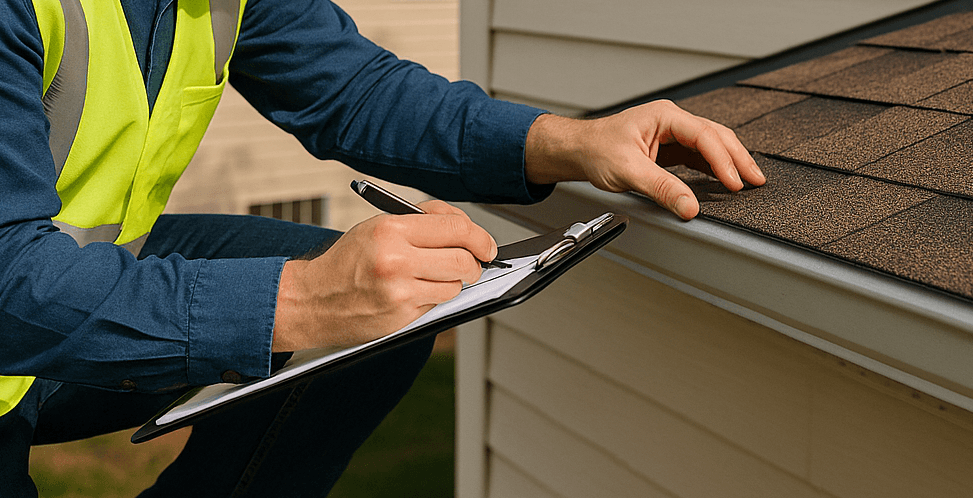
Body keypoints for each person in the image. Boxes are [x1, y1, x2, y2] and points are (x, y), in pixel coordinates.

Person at [0, 0, 763, 495]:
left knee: (386, 320)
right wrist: (301, 300)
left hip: (60, 309)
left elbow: (355, 91)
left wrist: (568, 140)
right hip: (19, 305)